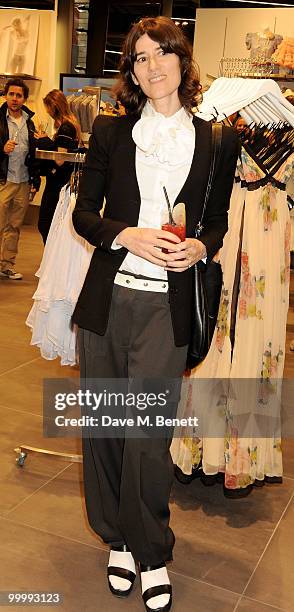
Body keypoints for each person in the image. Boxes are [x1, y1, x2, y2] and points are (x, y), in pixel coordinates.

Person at [72, 16, 238, 612]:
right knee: (106, 430)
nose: (151, 66)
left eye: (160, 53)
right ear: (132, 73)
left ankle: (153, 550)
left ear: (180, 61)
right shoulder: (111, 134)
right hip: (108, 302)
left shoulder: (217, 139)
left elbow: (215, 220)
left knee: (147, 435)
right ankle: (118, 539)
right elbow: (83, 214)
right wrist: (126, 236)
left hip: (167, 309)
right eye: (138, 58)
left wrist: (201, 246)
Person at [0, 77, 40, 280]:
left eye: (19, 95)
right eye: (11, 94)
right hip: (3, 180)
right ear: (5, 96)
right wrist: (1, 149)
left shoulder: (29, 122)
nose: (14, 99)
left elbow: (32, 154)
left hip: (23, 181)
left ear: (24, 99)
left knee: (14, 226)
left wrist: (35, 180)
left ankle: (6, 265)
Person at [35, 89, 81, 244]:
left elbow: (60, 159)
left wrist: (45, 141)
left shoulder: (65, 128)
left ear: (53, 106)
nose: (47, 111)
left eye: (47, 107)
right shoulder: (72, 124)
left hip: (57, 183)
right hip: (63, 182)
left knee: (45, 224)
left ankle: (51, 261)